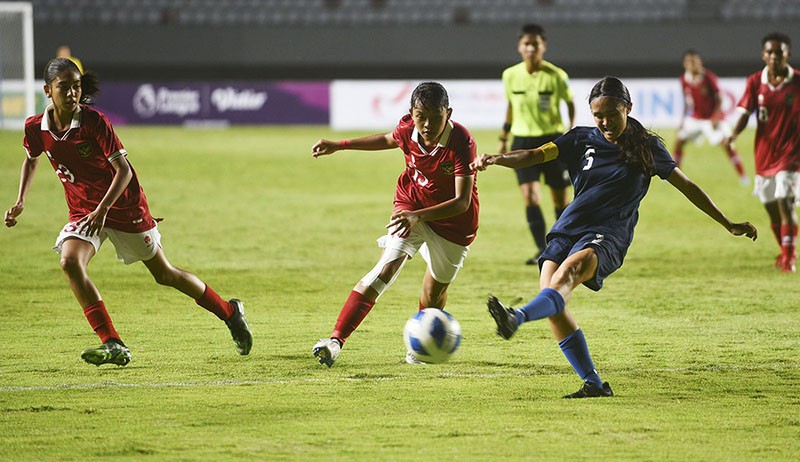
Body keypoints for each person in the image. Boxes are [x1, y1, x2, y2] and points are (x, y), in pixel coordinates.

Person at [472, 76, 757, 398]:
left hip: (608, 234)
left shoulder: (649, 148)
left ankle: (516, 317)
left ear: (628, 108)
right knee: (553, 299)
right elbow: (537, 154)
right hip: (568, 228)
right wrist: (498, 159)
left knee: (565, 278)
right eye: (598, 115)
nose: (605, 122)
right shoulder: (580, 139)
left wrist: (727, 223)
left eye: (612, 113)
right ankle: (593, 382)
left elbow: (687, 185)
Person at [4, 58, 252, 366]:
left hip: (123, 206)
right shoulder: (34, 127)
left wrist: (104, 208)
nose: (71, 93)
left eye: (76, 87)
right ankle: (113, 343)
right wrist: (21, 200)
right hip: (84, 211)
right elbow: (32, 157)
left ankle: (229, 312)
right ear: (47, 91)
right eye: (63, 87)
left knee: (165, 274)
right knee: (70, 262)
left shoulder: (95, 122)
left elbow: (123, 171)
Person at [310, 81, 479, 367]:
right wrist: (339, 145)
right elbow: (390, 139)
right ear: (412, 113)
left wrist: (421, 217)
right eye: (420, 116)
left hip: (454, 224)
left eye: (435, 117)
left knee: (433, 292)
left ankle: (424, 343)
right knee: (386, 267)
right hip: (411, 204)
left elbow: (462, 202)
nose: (426, 124)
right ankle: (335, 340)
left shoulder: (461, 140)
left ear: (448, 113)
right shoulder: (408, 130)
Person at [499, 23, 575, 265]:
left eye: (535, 44)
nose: (531, 48)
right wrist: (504, 136)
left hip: (552, 141)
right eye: (526, 44)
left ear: (543, 46)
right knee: (531, 197)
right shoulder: (510, 75)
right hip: (521, 141)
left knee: (560, 201)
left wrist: (569, 130)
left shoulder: (557, 76)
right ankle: (543, 250)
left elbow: (570, 104)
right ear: (520, 47)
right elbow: (511, 106)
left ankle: (564, 246)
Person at [731, 32, 800, 273]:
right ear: (763, 55)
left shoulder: (797, 82)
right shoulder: (755, 82)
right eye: (769, 52)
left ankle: (789, 258)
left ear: (787, 54)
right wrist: (734, 134)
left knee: (785, 202)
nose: (774, 56)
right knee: (771, 206)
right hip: (765, 155)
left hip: (792, 155)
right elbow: (744, 111)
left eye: (778, 52)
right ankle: (785, 250)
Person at [674, 50, 748, 185]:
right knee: (679, 140)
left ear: (700, 62)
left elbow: (720, 99)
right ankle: (675, 176)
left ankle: (743, 176)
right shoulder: (684, 79)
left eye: (695, 61)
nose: (693, 64)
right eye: (690, 62)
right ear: (685, 64)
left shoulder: (708, 77)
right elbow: (686, 102)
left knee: (727, 144)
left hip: (711, 119)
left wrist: (716, 117)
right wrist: (682, 121)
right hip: (696, 119)